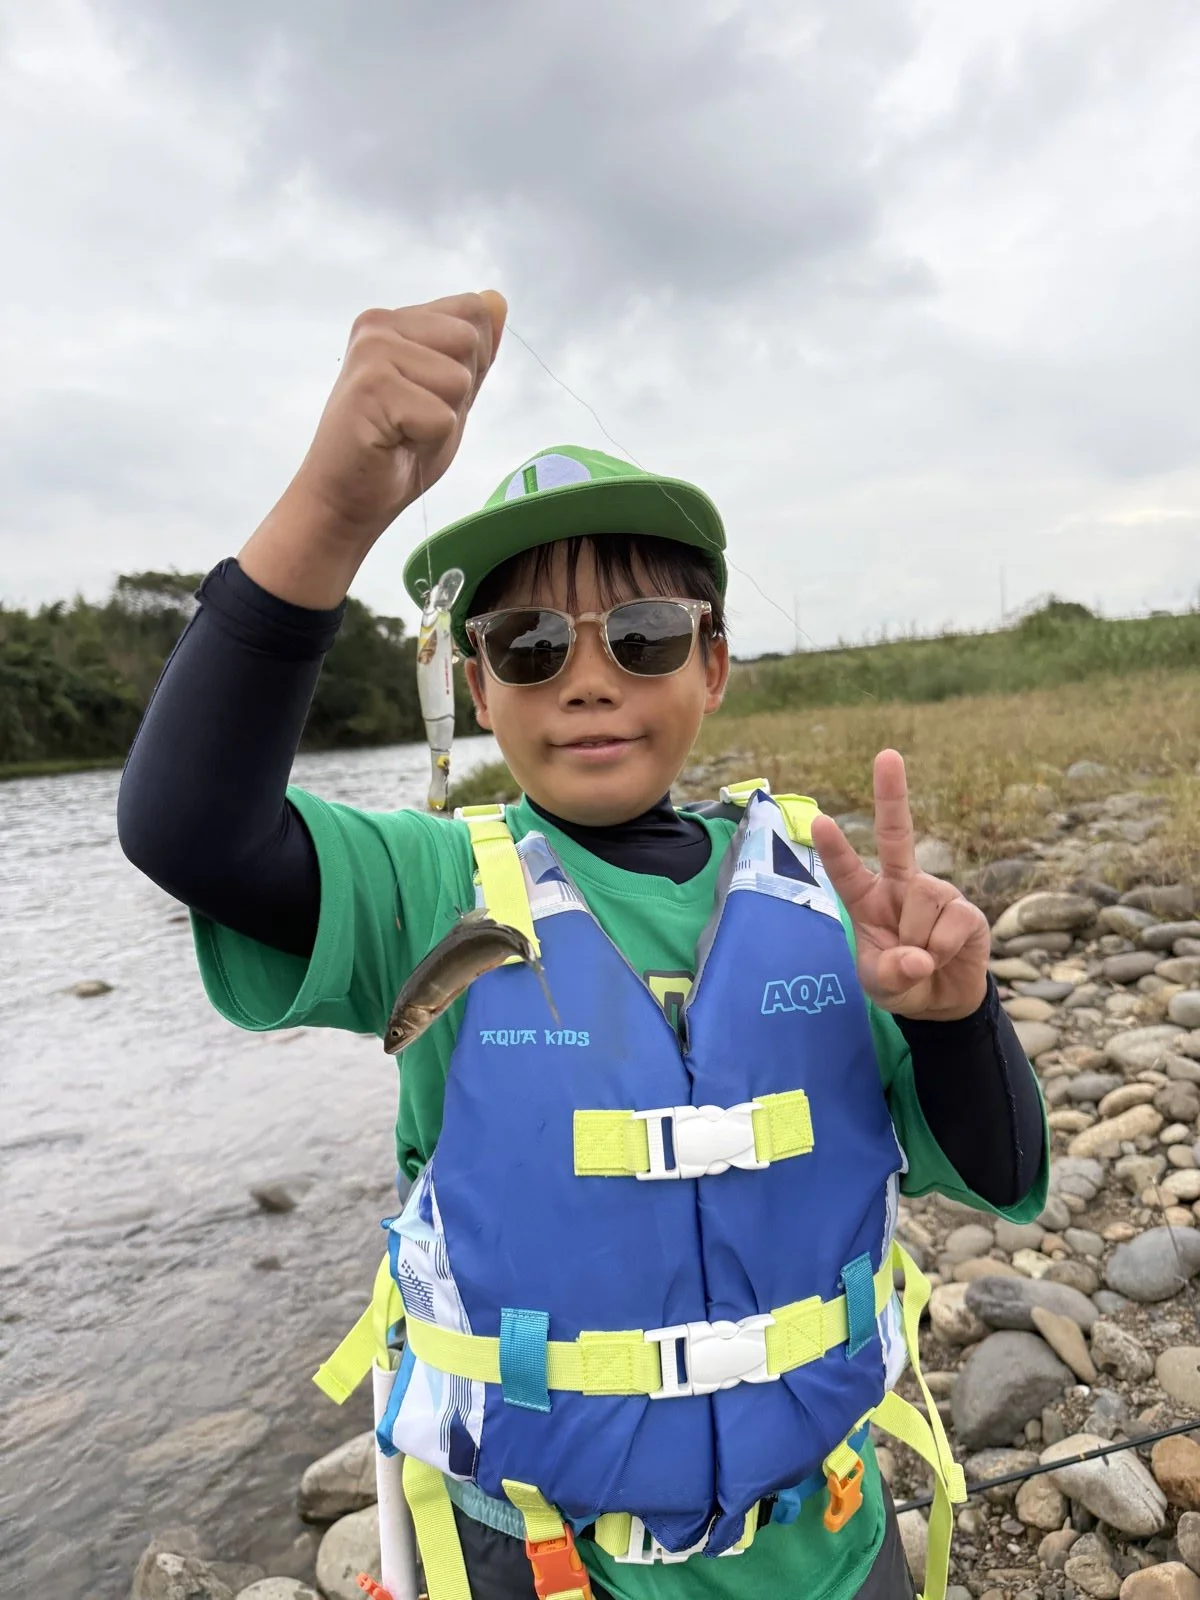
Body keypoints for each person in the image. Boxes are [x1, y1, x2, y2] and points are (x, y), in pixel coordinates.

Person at [119, 291, 1049, 1600]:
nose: (591, 678)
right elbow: (191, 831)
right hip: (544, 1562)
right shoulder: (431, 885)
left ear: (713, 665)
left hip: (835, 1544)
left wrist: (957, 1012)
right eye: (534, 644)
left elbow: (1001, 1169)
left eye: (646, 635)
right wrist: (334, 505)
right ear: (479, 682)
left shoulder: (823, 889)